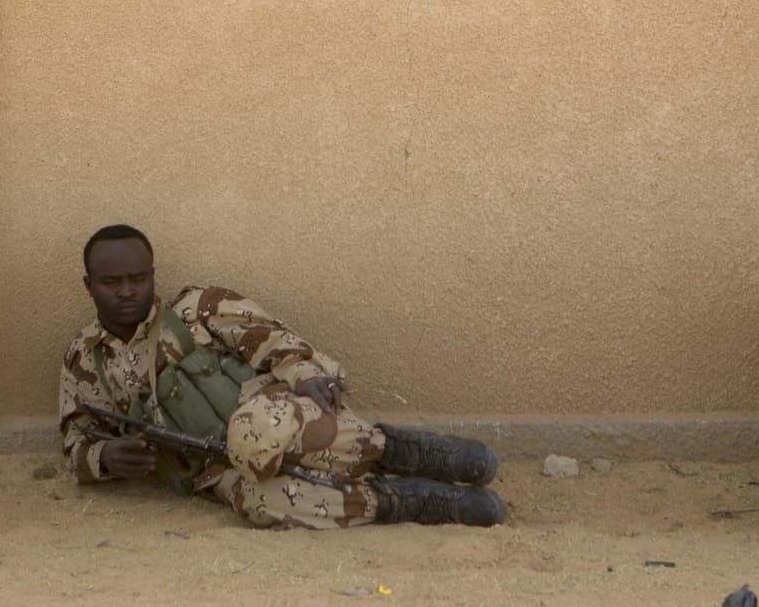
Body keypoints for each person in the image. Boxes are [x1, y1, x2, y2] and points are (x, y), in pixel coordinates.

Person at [57, 224, 507, 530]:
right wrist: (105, 459)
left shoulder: (197, 309)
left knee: (254, 435)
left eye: (138, 278)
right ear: (88, 285)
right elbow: (76, 443)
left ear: (153, 275)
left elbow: (277, 342)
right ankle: (399, 502)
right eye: (111, 282)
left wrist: (309, 377)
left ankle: (404, 450)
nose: (127, 291)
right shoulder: (84, 359)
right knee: (261, 503)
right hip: (212, 469)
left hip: (275, 421)